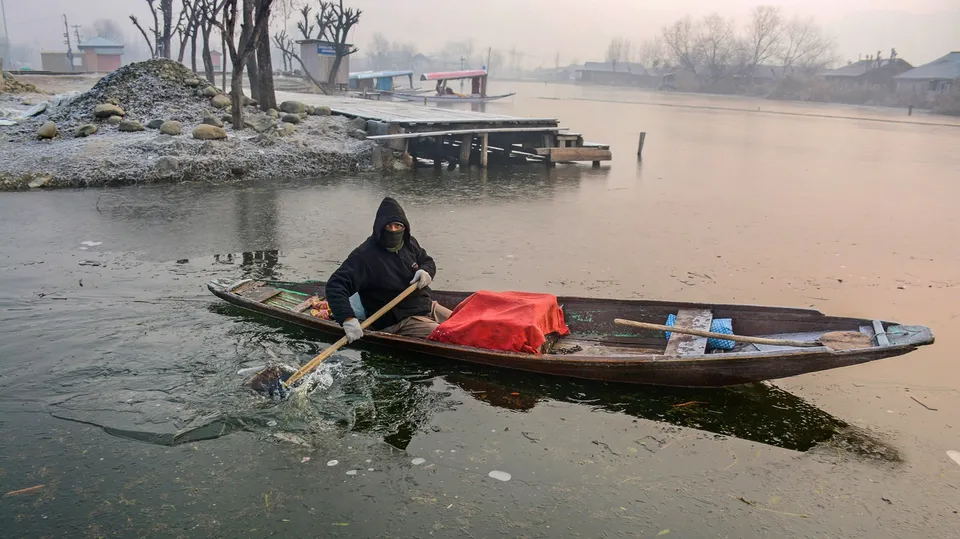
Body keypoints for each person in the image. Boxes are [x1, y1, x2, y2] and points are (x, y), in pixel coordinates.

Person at [325, 197, 452, 342]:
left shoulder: (409, 243)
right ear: (379, 227)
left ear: (404, 227)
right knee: (447, 335)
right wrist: (347, 319)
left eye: (397, 226)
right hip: (396, 320)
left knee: (463, 323)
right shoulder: (365, 256)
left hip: (424, 305)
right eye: (388, 226)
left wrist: (425, 271)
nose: (393, 230)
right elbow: (335, 285)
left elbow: (427, 261)